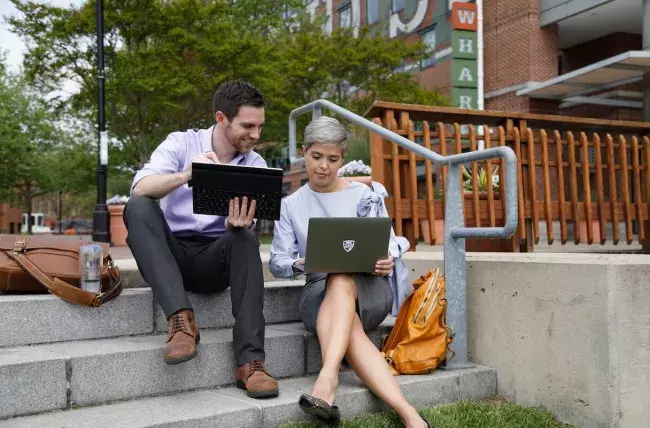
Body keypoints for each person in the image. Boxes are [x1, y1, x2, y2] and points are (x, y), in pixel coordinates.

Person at [269, 116, 430, 427]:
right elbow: (278, 262)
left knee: (343, 276)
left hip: (370, 287)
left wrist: (386, 260)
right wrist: (300, 262)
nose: (323, 166)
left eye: (332, 159)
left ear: (342, 158)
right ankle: (410, 415)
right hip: (318, 293)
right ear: (304, 152)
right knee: (337, 282)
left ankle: (327, 379)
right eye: (316, 157)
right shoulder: (290, 205)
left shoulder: (364, 195)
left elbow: (391, 242)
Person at [124, 81, 278, 399]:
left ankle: (251, 362)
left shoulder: (255, 165)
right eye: (248, 126)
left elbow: (245, 226)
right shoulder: (182, 143)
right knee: (137, 207)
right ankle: (182, 324)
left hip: (216, 258)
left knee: (245, 239)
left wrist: (238, 225)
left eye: (260, 126)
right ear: (221, 118)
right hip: (172, 257)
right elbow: (141, 187)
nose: (256, 135)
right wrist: (187, 174)